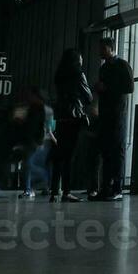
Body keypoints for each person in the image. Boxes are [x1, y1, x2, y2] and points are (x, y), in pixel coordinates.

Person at [92, 38, 132, 201]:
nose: (99, 52)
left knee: (116, 150)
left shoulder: (122, 65)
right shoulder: (104, 68)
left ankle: (117, 188)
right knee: (107, 151)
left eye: (102, 48)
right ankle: (106, 188)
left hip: (117, 115)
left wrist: (106, 88)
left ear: (110, 48)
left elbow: (129, 87)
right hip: (106, 114)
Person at [51, 49, 93, 202]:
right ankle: (67, 192)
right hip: (73, 117)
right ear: (76, 60)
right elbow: (88, 97)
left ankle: (54, 191)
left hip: (61, 117)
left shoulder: (59, 75)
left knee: (59, 156)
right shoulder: (78, 74)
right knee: (69, 157)